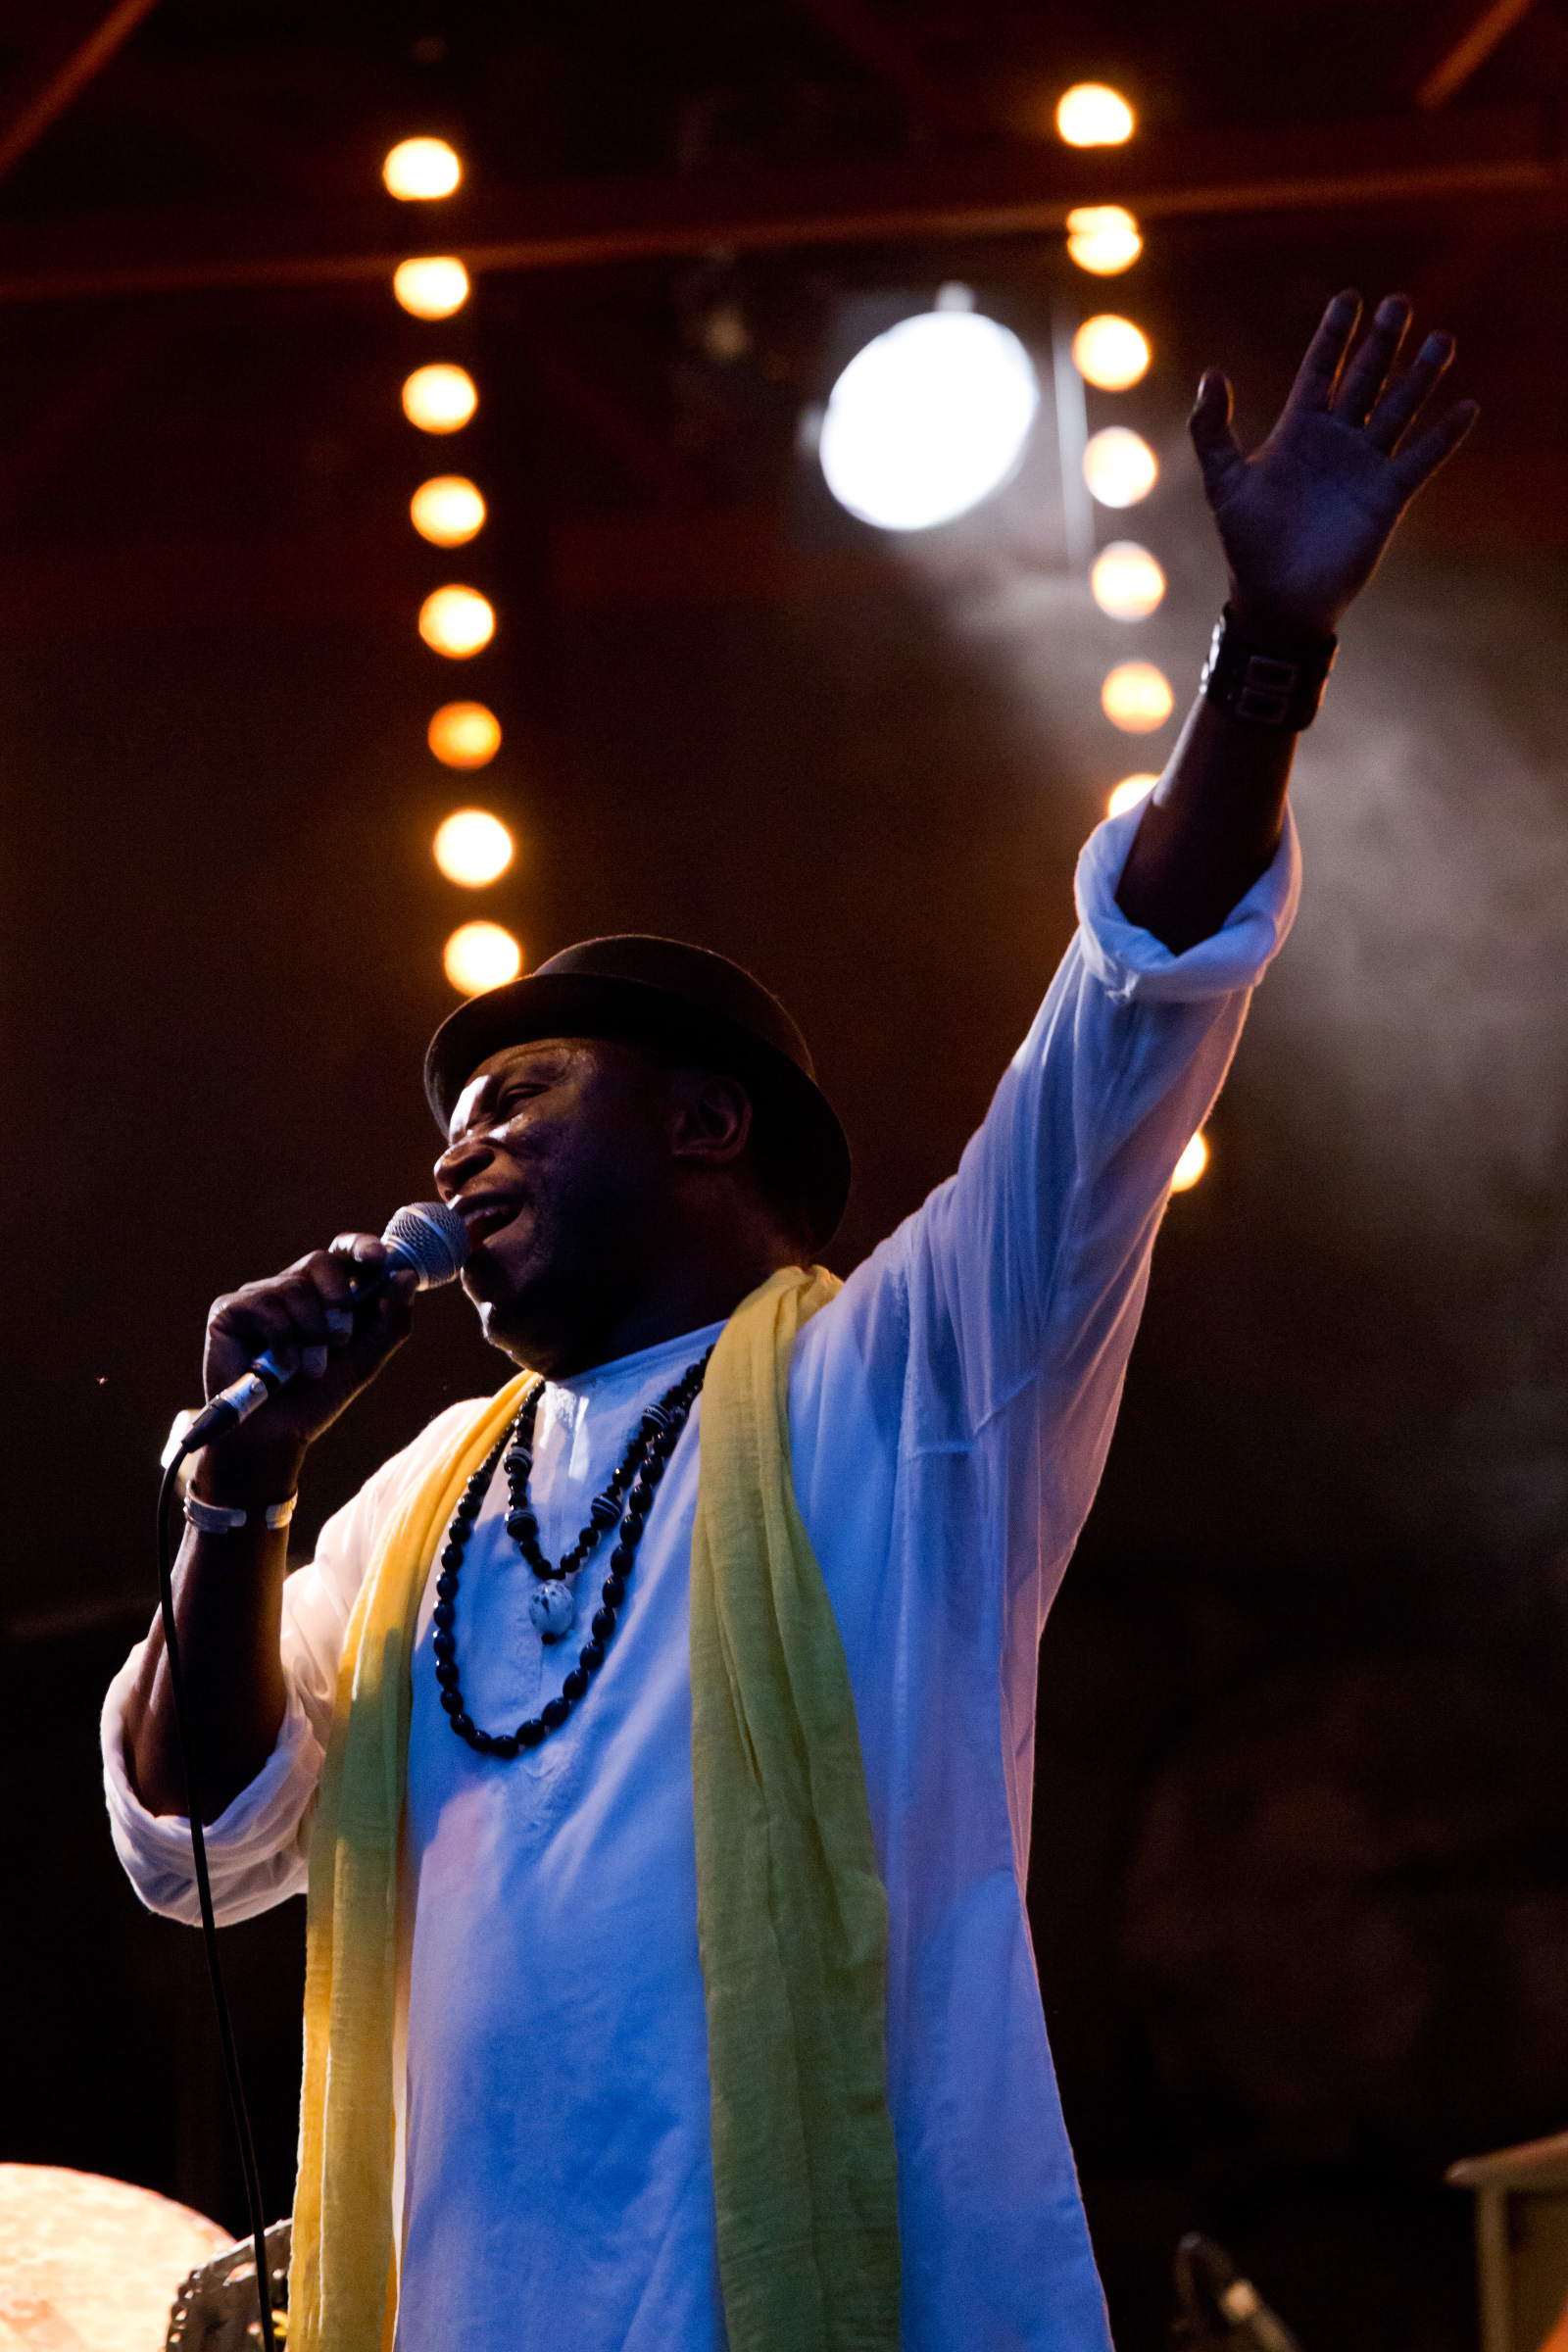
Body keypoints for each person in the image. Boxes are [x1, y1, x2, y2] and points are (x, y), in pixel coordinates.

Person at [104, 292, 1474, 2352]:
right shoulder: (419, 1504)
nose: (459, 1153)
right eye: (449, 1126)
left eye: (518, 1100)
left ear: (706, 1122)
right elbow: (202, 1842)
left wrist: (1264, 646)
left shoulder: (906, 1388)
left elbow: (1127, 1019)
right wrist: (241, 1502)